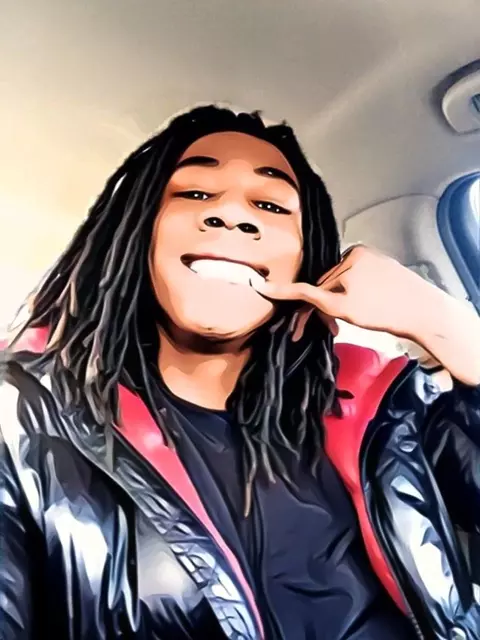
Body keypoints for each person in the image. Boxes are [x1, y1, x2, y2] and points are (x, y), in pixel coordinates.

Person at [1, 105, 479, 640]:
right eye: (194, 193)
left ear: (309, 258)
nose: (231, 215)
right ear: (137, 234)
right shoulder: (22, 417)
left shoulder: (382, 401)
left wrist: (446, 326)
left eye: (270, 205)